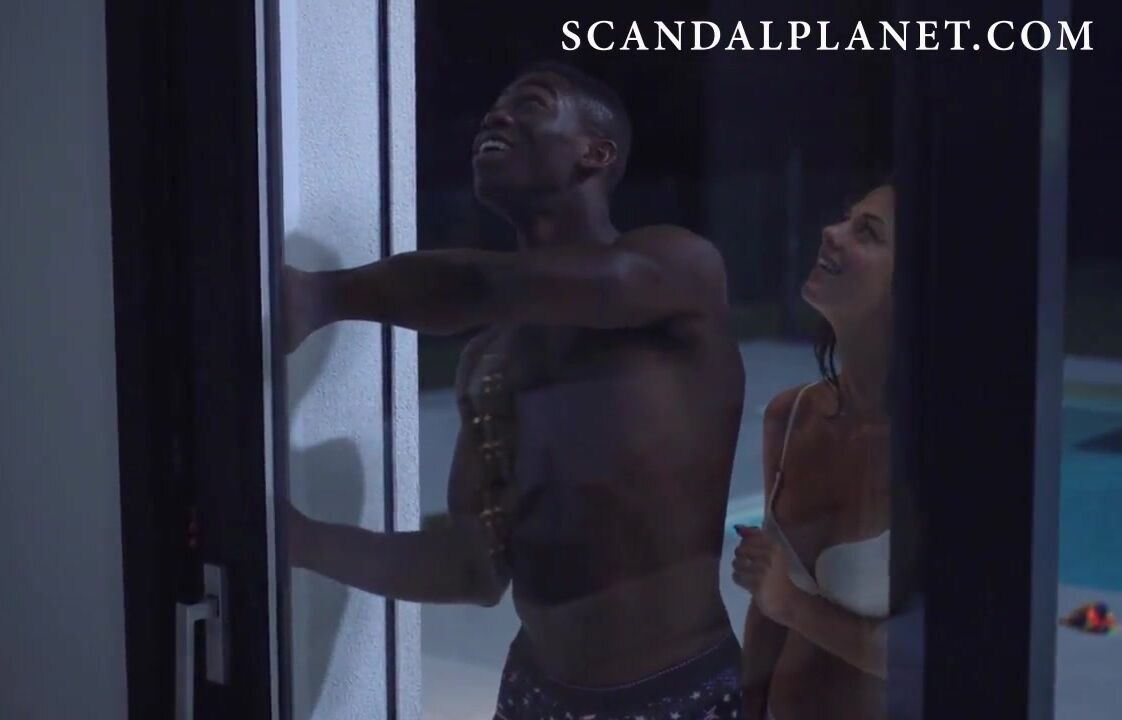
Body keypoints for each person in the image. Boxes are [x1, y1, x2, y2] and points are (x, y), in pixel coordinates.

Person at [284, 61, 747, 719]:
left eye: (531, 104)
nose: (495, 116)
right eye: (495, 108)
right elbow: (471, 567)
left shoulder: (676, 270)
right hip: (533, 693)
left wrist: (322, 296)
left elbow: (481, 286)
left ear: (596, 153)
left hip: (676, 695)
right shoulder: (491, 356)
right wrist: (300, 539)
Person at [732, 184, 895, 720]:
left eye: (866, 232)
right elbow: (766, 611)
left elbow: (941, 651)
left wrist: (791, 603)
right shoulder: (791, 416)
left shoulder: (935, 453)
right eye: (846, 218)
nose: (832, 232)